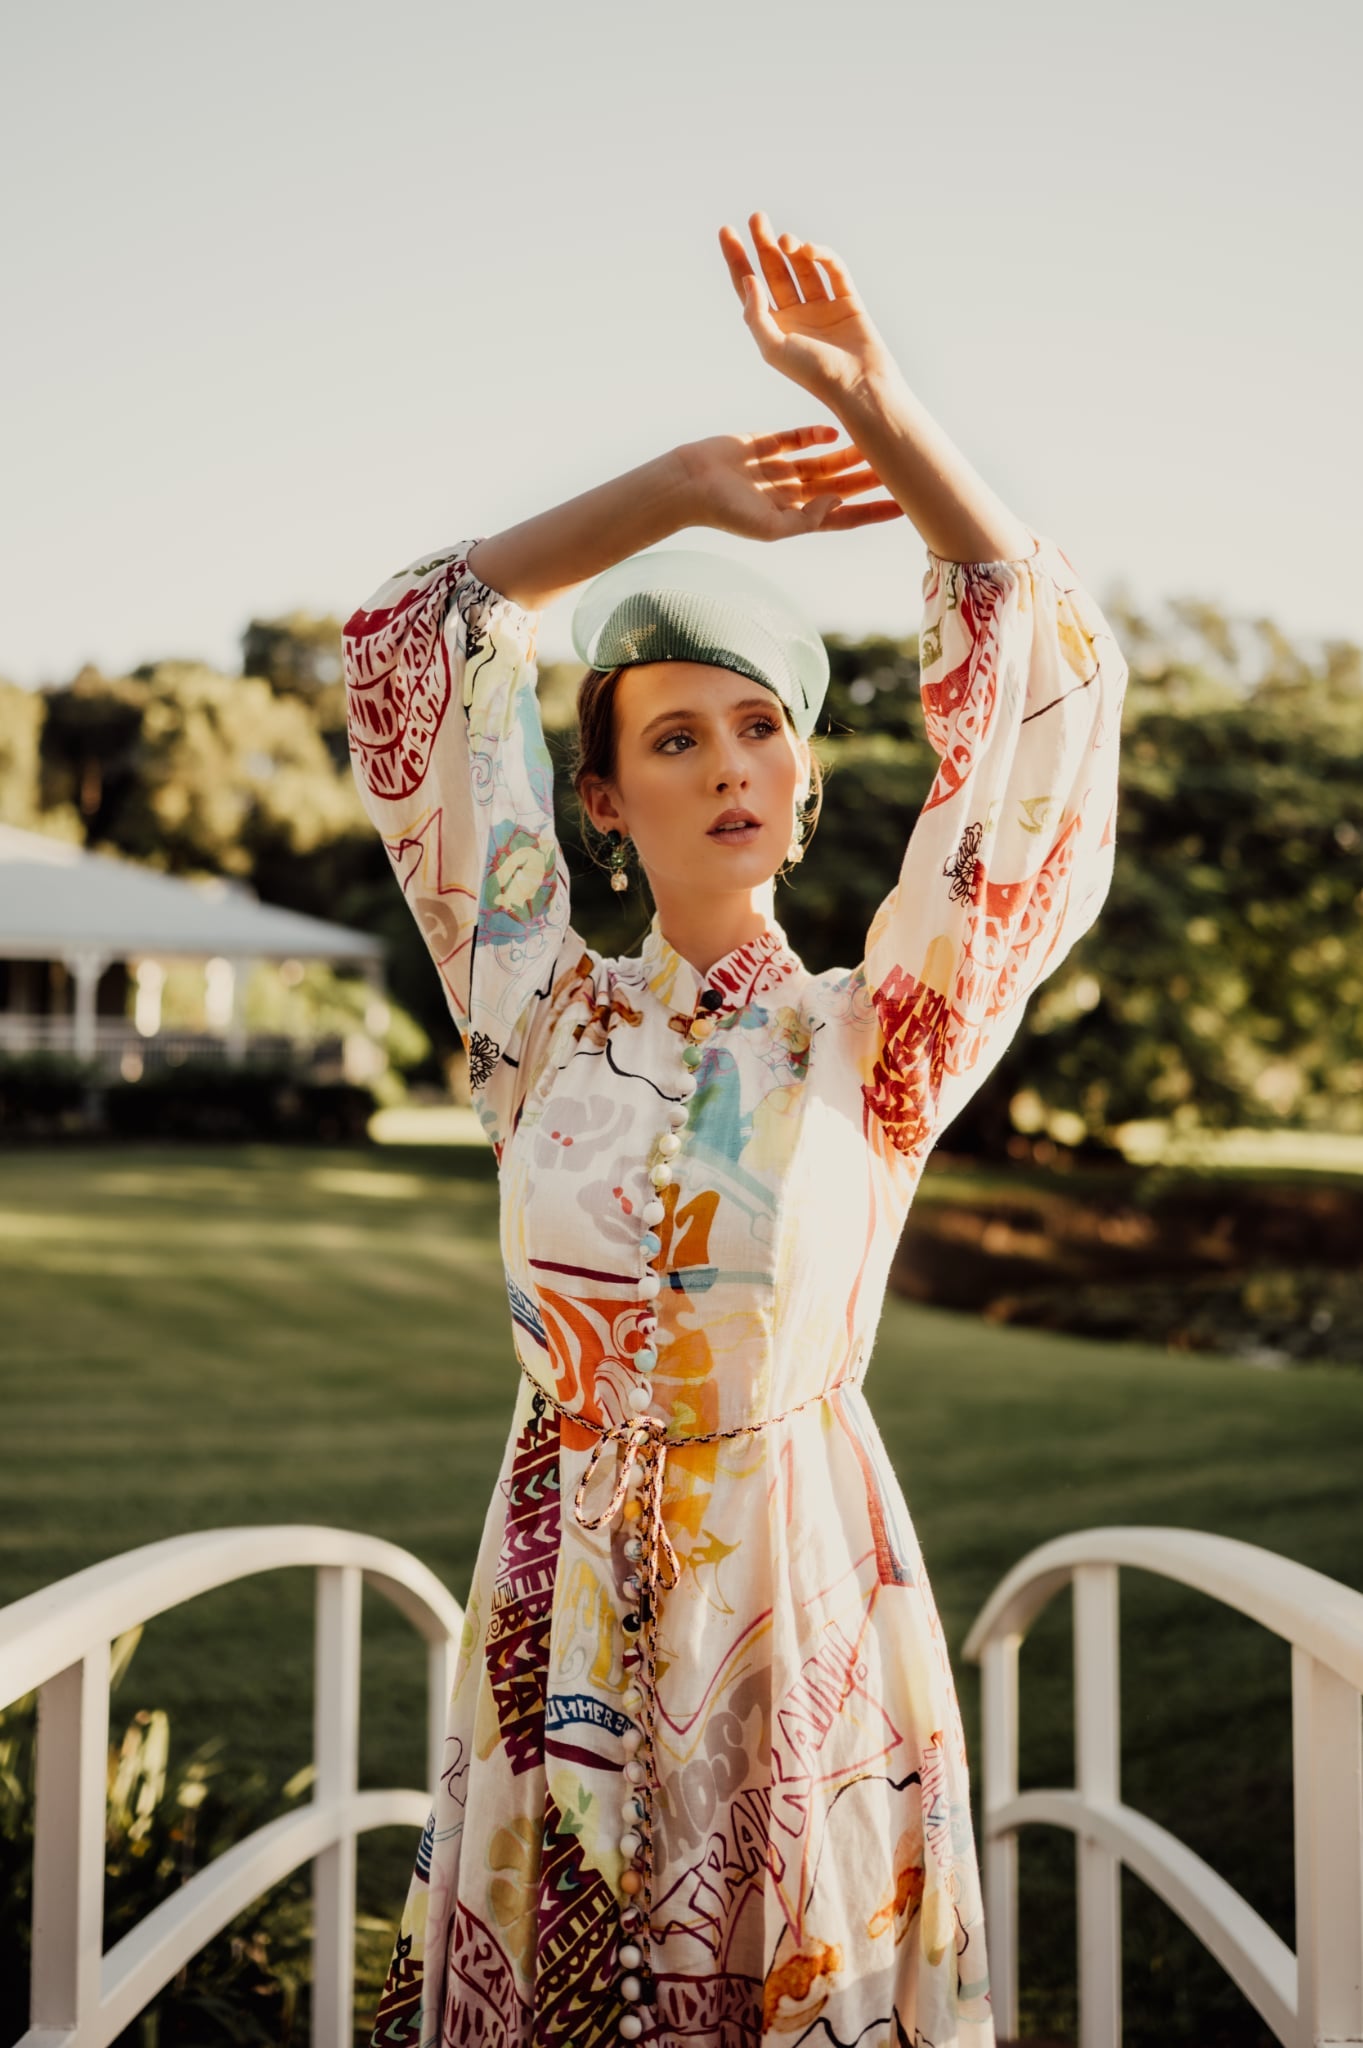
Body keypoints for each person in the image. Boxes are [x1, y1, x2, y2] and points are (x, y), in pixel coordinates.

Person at [343, 211, 1126, 2048]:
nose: (724, 768)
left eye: (758, 730)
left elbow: (1037, 734)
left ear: (808, 780)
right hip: (554, 1614)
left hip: (797, 1602)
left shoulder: (880, 1036)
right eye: (672, 739)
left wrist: (876, 403)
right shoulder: (532, 1014)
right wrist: (675, 491)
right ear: (596, 800)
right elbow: (409, 652)